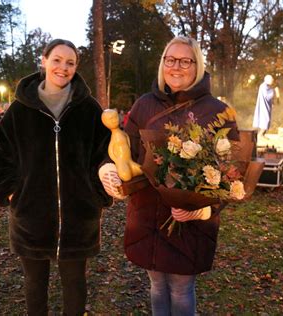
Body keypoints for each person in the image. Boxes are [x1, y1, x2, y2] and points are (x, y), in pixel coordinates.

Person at [99, 36, 239, 315]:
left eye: (185, 60)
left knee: (181, 287)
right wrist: (109, 169)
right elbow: (124, 149)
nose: (176, 66)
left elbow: (233, 172)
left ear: (197, 65)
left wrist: (203, 211)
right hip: (148, 214)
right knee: (157, 286)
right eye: (170, 59)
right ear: (162, 63)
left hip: (188, 218)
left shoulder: (218, 111)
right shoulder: (143, 105)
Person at [0, 38, 112, 315]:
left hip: (78, 219)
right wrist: (11, 192)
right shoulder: (20, 110)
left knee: (75, 286)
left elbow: (105, 155)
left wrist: (97, 194)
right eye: (57, 60)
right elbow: (1, 156)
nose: (63, 67)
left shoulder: (89, 109)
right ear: (43, 60)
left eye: (70, 62)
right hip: (31, 218)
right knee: (35, 286)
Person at [252, 74, 279, 139]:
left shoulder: (266, 86)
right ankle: (260, 134)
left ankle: (262, 134)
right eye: (271, 80)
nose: (272, 81)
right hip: (263, 107)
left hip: (266, 106)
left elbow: (269, 97)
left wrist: (273, 102)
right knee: (265, 120)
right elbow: (267, 96)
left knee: (267, 120)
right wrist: (274, 91)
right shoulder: (263, 86)